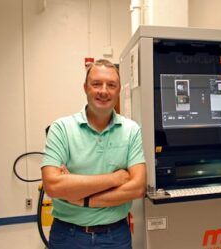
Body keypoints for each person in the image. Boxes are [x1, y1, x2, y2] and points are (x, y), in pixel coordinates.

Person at [41, 59, 146, 249]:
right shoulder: (61, 128)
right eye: (96, 84)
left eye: (111, 85)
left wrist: (83, 198)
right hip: (68, 236)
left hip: (116, 237)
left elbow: (138, 188)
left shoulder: (131, 130)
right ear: (85, 88)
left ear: (119, 89)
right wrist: (116, 178)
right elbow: (53, 186)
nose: (103, 91)